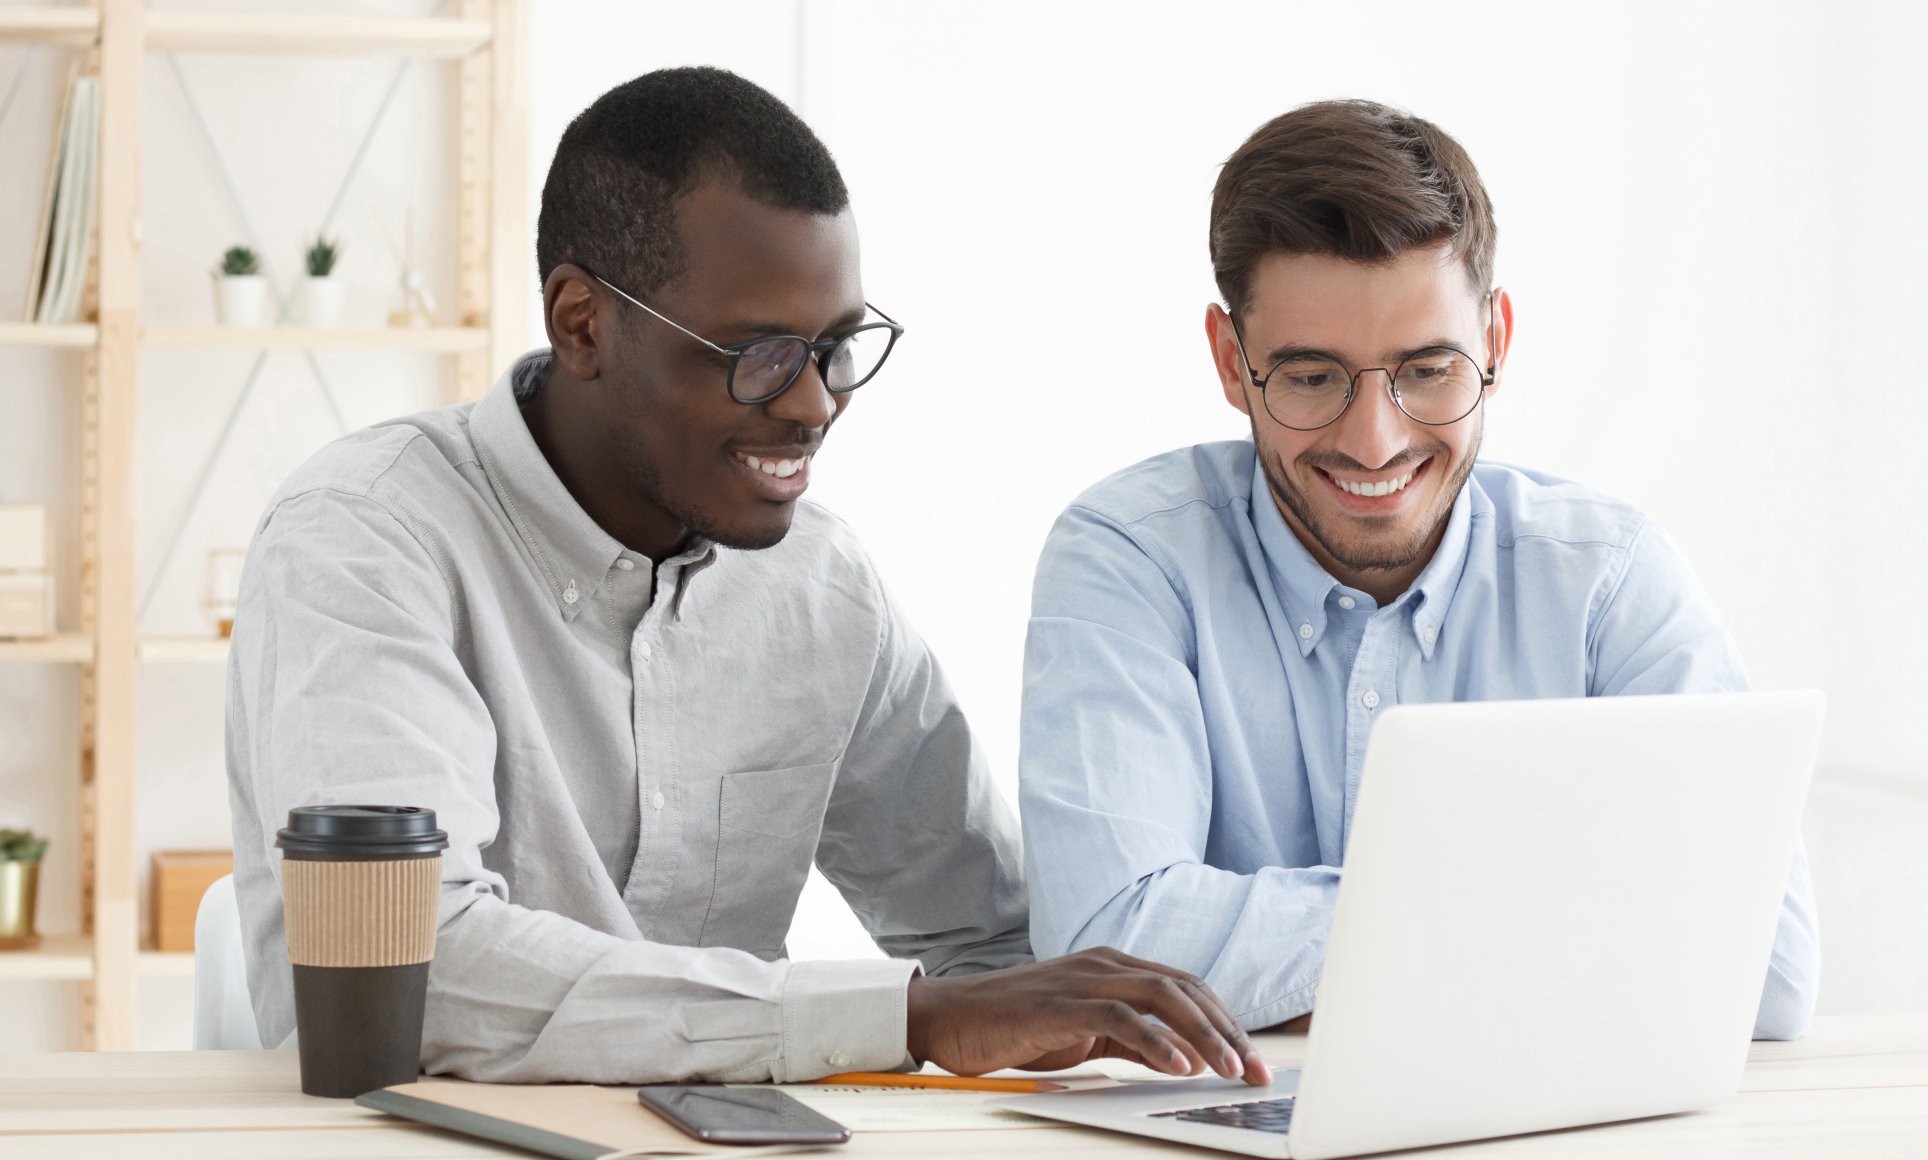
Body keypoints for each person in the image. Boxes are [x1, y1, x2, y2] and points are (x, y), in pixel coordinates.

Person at [228, 67, 1266, 1087]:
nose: (814, 405)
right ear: (582, 323)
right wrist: (905, 1017)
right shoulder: (365, 539)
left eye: (836, 347)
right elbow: (414, 970)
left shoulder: (820, 587)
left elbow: (991, 944)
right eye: (759, 354)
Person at [1018, 99, 1817, 1040]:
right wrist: (1550, 913)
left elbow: (1764, 967)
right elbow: (1109, 946)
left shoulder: (1606, 581)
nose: (1375, 441)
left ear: (1496, 343)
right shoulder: (1131, 559)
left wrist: (1329, 942)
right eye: (1311, 377)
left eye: (1430, 370)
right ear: (1232, 363)